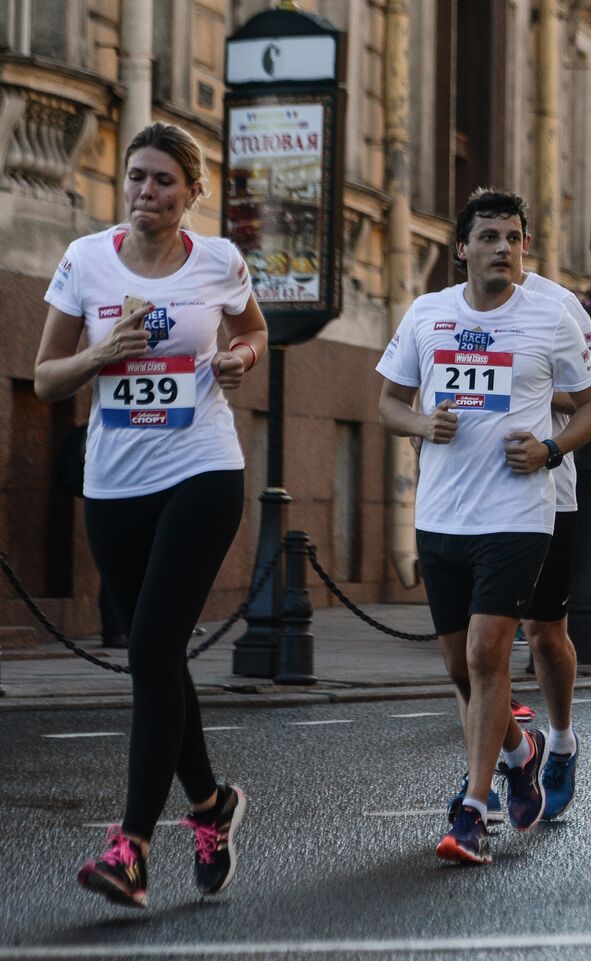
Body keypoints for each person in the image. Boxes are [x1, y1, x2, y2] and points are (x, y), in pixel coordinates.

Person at [34, 122, 268, 908]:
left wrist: (238, 358)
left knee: (154, 649)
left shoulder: (219, 261)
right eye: (137, 177)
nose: (146, 192)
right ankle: (211, 804)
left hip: (201, 470)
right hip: (113, 481)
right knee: (153, 654)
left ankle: (131, 848)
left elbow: (254, 331)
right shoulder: (86, 260)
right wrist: (101, 356)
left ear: (193, 192)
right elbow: (44, 378)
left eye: (165, 180)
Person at [377, 190, 591, 864]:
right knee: (460, 664)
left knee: (509, 646)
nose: (502, 247)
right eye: (489, 236)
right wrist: (425, 423)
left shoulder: (554, 312)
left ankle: (477, 805)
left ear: (524, 246)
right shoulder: (427, 314)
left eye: (513, 236)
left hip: (526, 506)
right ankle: (517, 748)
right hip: (443, 511)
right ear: (463, 247)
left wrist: (551, 447)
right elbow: (391, 399)